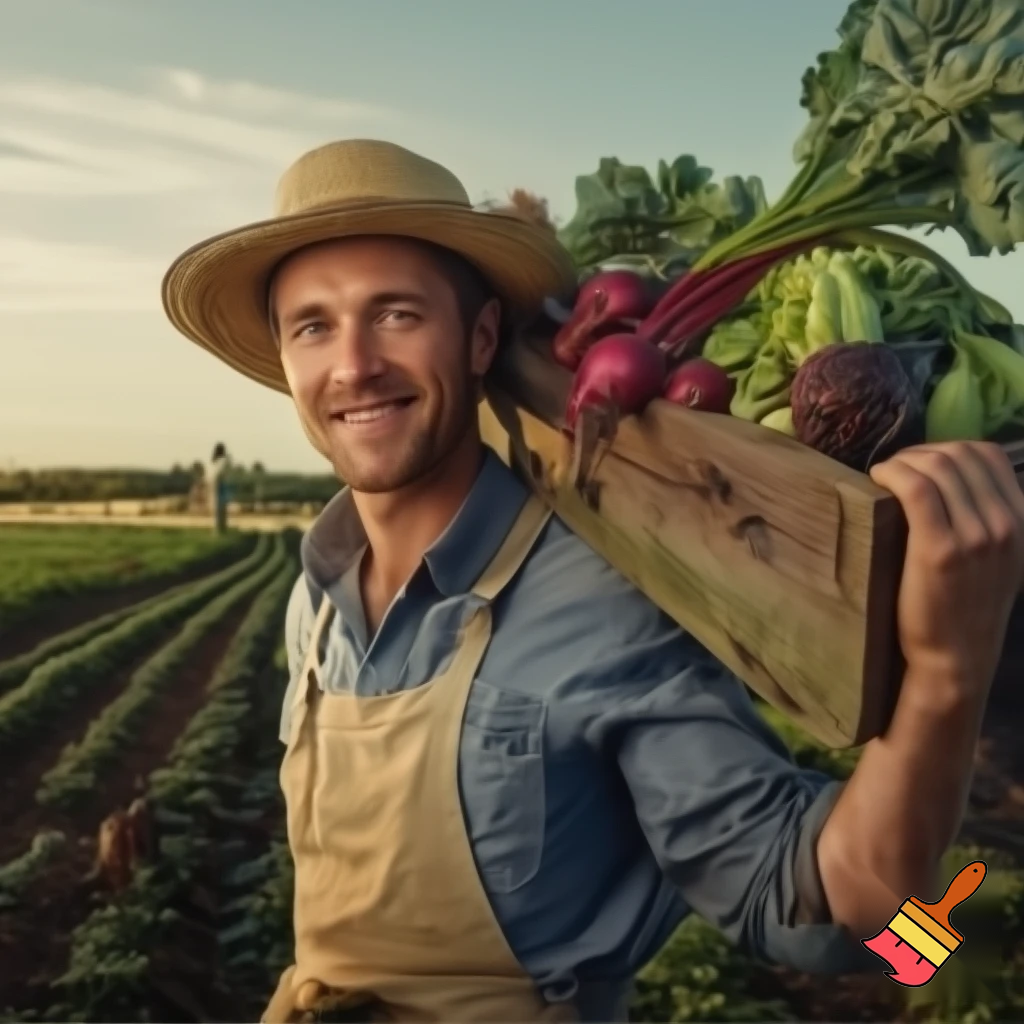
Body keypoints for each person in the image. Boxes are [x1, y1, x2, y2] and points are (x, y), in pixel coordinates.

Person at [162, 139, 1024, 1023]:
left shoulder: (604, 602)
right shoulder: (315, 595)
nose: (353, 365)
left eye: (396, 315)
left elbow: (847, 920)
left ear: (481, 338)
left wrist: (945, 678)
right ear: (287, 358)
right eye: (314, 325)